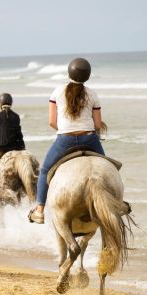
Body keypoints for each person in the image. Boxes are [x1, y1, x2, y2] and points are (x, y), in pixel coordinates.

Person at [28, 58, 104, 224]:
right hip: (89, 138)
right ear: (88, 76)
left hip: (65, 140)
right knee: (108, 168)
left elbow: (51, 122)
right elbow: (97, 124)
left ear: (69, 72)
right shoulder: (92, 94)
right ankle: (116, 203)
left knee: (45, 171)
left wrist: (65, 130)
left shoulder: (57, 92)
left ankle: (40, 210)